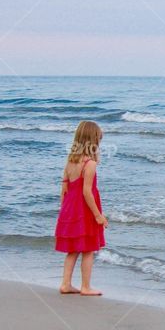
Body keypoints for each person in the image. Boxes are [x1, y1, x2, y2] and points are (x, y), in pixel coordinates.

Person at [55, 120, 109, 295]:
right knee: (88, 249)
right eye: (98, 141)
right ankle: (85, 287)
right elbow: (87, 192)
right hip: (84, 210)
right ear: (93, 141)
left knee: (72, 250)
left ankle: (66, 284)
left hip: (70, 210)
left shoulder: (71, 161)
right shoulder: (89, 164)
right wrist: (98, 215)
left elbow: (64, 189)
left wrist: (64, 212)